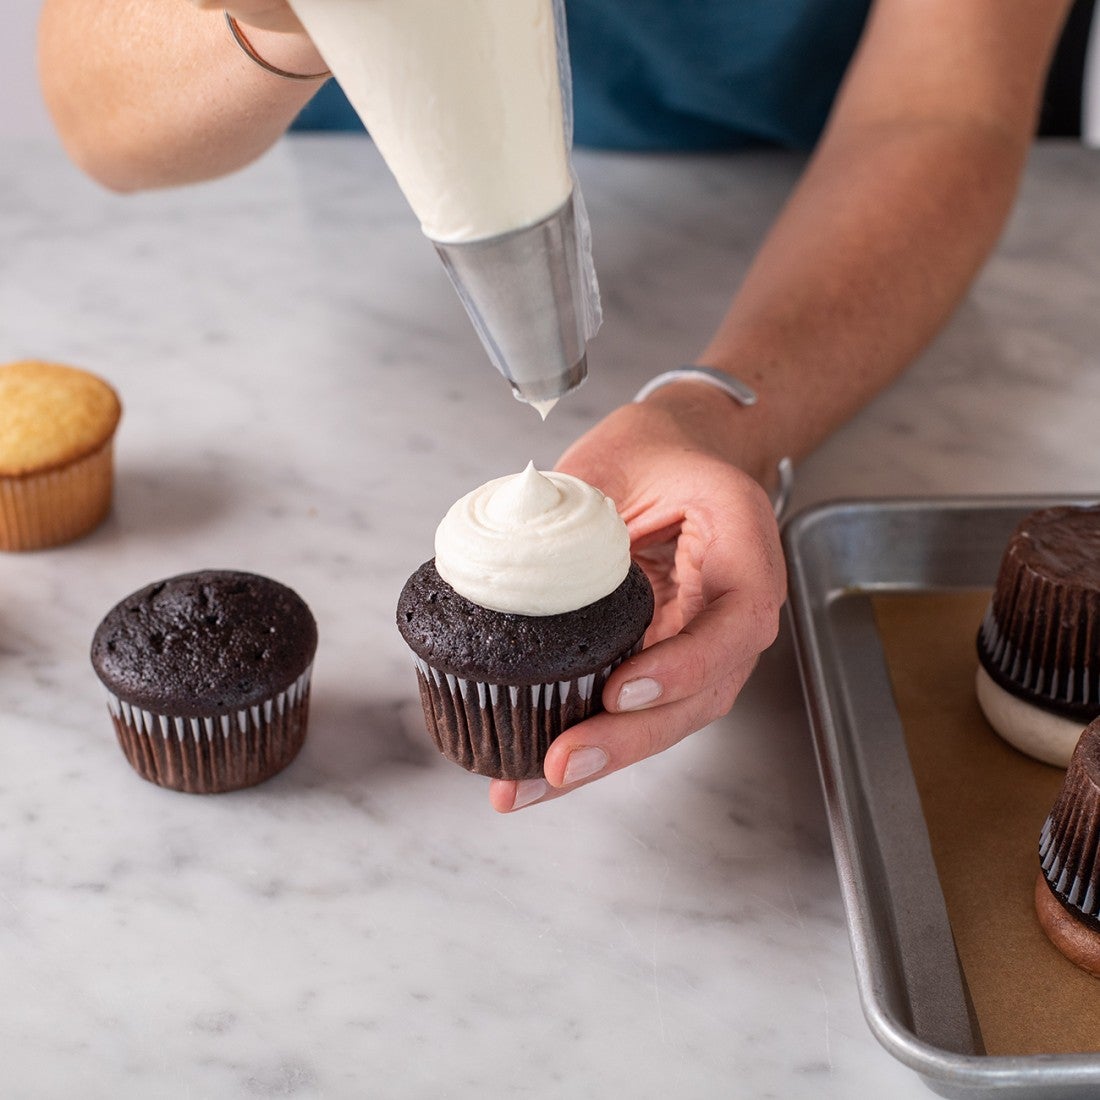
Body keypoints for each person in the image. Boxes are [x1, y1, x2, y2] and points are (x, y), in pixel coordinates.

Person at [37, 0, 1075, 812]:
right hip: (356, 238)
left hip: (829, 223)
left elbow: (944, 106)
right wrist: (299, 23)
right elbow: (97, 119)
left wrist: (722, 413)